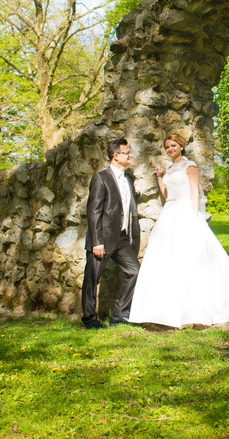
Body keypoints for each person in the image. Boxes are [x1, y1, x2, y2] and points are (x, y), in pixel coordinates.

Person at [128, 133, 229, 327]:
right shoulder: (170, 168)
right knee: (166, 258)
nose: (170, 149)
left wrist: (193, 217)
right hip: (170, 212)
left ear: (181, 146)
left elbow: (194, 193)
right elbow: (167, 195)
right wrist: (159, 178)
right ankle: (165, 310)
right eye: (167, 147)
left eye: (173, 145)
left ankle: (198, 309)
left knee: (191, 256)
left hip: (185, 211)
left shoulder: (189, 166)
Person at [80, 138, 140, 329]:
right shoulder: (101, 178)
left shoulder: (128, 179)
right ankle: (90, 319)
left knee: (135, 271)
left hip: (121, 238)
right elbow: (94, 212)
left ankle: (119, 314)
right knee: (92, 278)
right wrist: (97, 242)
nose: (130, 155)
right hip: (102, 239)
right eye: (127, 152)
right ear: (116, 155)